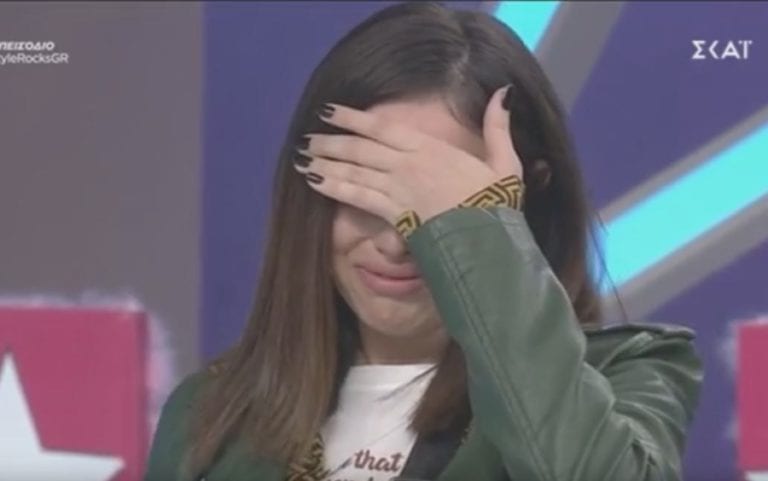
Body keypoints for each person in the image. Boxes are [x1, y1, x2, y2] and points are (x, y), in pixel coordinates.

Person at [144, 2, 703, 481]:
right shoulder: (210, 413)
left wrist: (475, 231)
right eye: (368, 189)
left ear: (522, 196)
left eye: (434, 203)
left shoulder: (625, 375)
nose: (395, 241)